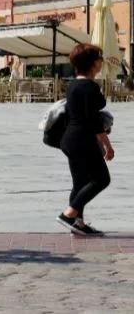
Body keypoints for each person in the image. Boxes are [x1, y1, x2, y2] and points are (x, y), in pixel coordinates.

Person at [57, 43, 114, 236]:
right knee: (102, 179)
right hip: (83, 140)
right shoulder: (90, 87)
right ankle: (68, 214)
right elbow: (94, 123)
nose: (101, 61)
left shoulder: (73, 84)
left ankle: (78, 224)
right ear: (93, 63)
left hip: (69, 140)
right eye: (99, 58)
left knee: (80, 183)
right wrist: (108, 146)